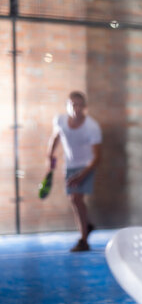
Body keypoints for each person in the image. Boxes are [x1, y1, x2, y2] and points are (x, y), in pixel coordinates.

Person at [47, 91, 102, 252]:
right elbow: (56, 137)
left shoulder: (92, 127)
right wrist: (49, 155)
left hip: (87, 166)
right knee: (74, 200)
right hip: (69, 166)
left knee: (76, 197)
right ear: (67, 106)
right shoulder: (60, 120)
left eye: (79, 105)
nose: (76, 108)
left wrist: (81, 174)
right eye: (73, 104)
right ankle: (87, 225)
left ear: (84, 107)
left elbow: (97, 157)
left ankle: (83, 241)